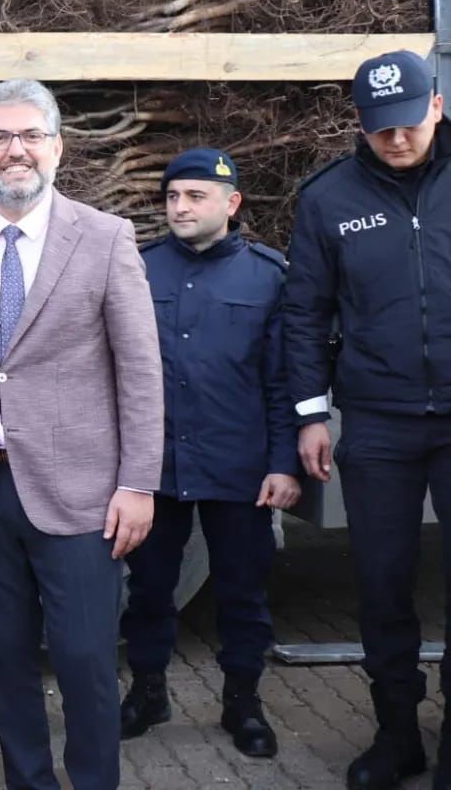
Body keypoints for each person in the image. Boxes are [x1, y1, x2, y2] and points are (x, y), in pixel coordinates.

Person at [0, 78, 162, 790]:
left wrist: (138, 483)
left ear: (57, 148)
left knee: (82, 659)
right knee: (5, 656)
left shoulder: (105, 239)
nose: (17, 151)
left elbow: (141, 370)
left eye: (31, 136)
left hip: (80, 493)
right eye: (0, 138)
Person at [284, 49, 451, 790]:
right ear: (361, 122)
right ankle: (395, 736)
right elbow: (304, 313)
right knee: (381, 583)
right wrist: (312, 415)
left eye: (410, 123)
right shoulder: (328, 198)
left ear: (437, 106)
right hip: (378, 424)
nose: (398, 140)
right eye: (382, 129)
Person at [119, 147, 301, 758]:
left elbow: (283, 381)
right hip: (157, 465)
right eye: (172, 196)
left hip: (239, 467)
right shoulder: (136, 270)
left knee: (241, 593)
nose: (180, 207)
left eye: (195, 196)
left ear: (232, 203)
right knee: (147, 590)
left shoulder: (268, 276)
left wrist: (283, 464)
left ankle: (242, 702)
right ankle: (147, 691)